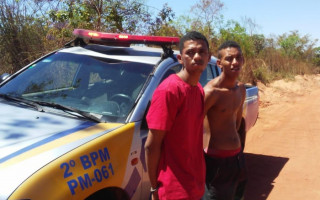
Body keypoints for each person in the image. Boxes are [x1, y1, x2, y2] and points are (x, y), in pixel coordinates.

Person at [144, 31, 211, 200]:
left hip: (196, 185)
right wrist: (154, 188)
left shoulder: (199, 90)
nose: (197, 56)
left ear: (208, 58)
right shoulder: (169, 90)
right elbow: (152, 146)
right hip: (174, 190)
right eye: (190, 52)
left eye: (202, 52)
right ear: (180, 58)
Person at [203, 41, 247, 200]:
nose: (235, 62)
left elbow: (237, 123)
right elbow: (194, 127)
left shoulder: (240, 89)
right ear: (220, 63)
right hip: (217, 162)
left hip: (237, 158)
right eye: (229, 59)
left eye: (238, 58)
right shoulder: (210, 92)